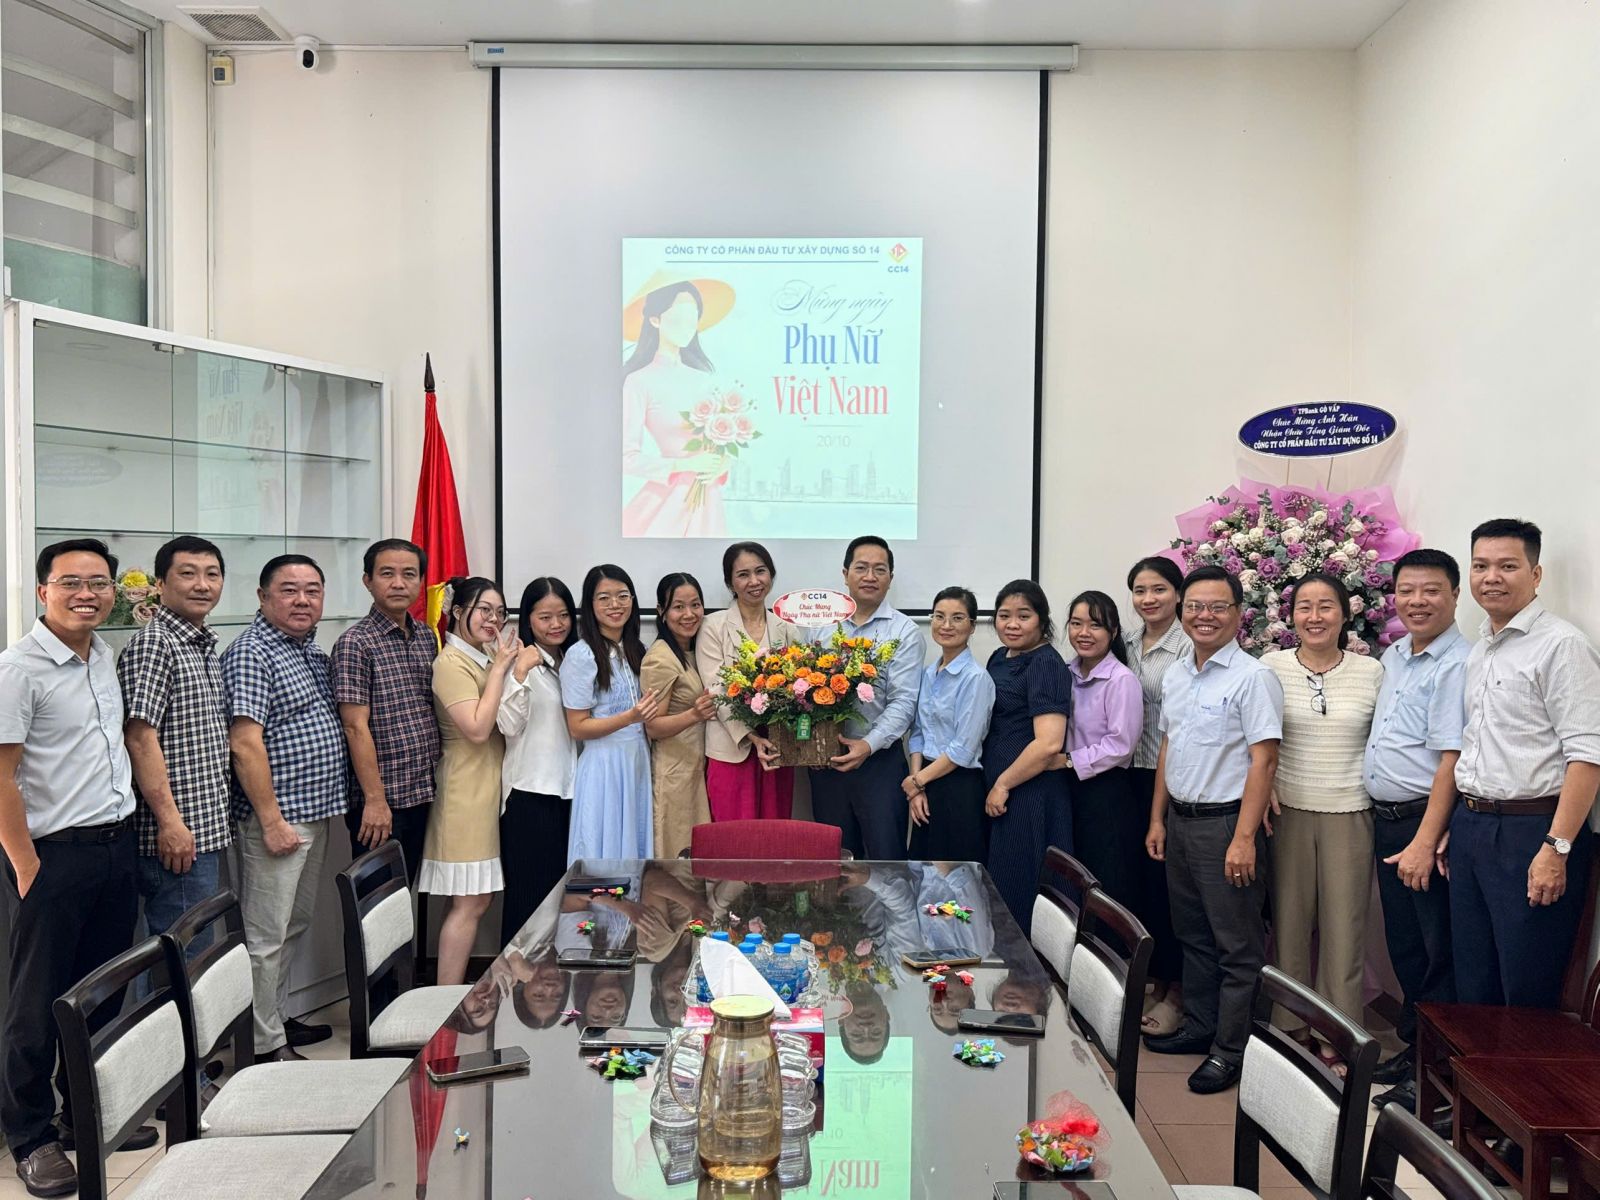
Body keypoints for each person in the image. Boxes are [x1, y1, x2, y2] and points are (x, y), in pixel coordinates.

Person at [0, 539, 148, 1197]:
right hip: (50, 856)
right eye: (70, 582)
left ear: (113, 590)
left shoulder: (103, 654)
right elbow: (1, 776)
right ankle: (31, 1138)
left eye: (98, 582)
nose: (85, 593)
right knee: (35, 1005)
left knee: (100, 993)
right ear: (43, 592)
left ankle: (82, 1114)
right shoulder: (17, 670)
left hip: (114, 847)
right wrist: (26, 866)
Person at [1144, 565, 1283, 1095]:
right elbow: (1168, 746)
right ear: (1183, 611)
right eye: (1195, 606)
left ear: (1238, 613)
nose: (1205, 616)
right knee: (1194, 938)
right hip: (1181, 823)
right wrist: (1157, 818)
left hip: (1227, 825)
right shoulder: (1179, 674)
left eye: (1218, 606)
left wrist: (1245, 838)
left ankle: (1231, 1051)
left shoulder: (1253, 677)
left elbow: (1264, 760)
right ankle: (1200, 1027)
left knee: (1237, 947)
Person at [1451, 519, 1600, 1007]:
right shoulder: (1482, 647)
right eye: (1481, 566)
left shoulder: (1561, 645)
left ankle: (1516, 1064)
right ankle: (1474, 1062)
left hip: (1532, 832)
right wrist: (1460, 823)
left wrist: (1556, 848)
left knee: (1526, 985)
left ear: (1535, 575)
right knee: (1474, 977)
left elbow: (1588, 756)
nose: (1491, 577)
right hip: (1473, 825)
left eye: (1507, 566)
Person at [222, 553, 347, 1062]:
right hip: (277, 819)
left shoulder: (308, 651)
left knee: (291, 925)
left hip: (312, 812)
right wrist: (271, 820)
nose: (303, 600)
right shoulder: (252, 652)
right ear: (263, 596)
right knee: (264, 935)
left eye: (312, 590)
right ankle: (261, 1045)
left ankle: (274, 1019)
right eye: (289, 590)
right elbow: (244, 743)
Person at [1261, 573, 1383, 1071]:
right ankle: (1290, 1027)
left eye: (1326, 606)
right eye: (1304, 607)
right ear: (1290, 616)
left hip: (1350, 810)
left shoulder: (1372, 671)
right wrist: (1264, 786)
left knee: (1344, 931)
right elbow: (1253, 735)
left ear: (1345, 613)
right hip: (1285, 810)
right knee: (1288, 926)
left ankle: (1338, 1035)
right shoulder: (1269, 667)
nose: (1314, 616)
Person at [1362, 549, 1468, 1113]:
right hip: (1387, 820)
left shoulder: (1459, 663)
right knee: (1405, 946)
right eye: (1407, 591)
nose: (1417, 601)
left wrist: (1426, 840)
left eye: (1431, 591)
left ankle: (1435, 1072)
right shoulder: (1397, 654)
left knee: (1436, 951)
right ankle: (1413, 1050)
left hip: (1422, 821)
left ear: (1454, 595)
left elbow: (1452, 758)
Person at [118, 537, 232, 956]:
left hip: (203, 828)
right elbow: (139, 737)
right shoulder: (157, 644)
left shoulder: (200, 645)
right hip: (177, 835)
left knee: (187, 954)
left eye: (212, 574)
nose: (202, 584)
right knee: (181, 957)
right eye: (188, 574)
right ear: (160, 584)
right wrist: (170, 823)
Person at [418, 577, 516, 987]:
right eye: (484, 610)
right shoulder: (450, 663)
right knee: (472, 901)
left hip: (483, 787)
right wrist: (502, 669)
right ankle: (446, 1002)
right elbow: (476, 728)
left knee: (469, 899)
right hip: (463, 792)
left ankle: (447, 995)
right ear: (458, 612)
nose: (493, 620)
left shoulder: (480, 655)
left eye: (499, 612)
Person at [808, 536, 926, 860]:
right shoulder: (821, 628)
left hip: (879, 764)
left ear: (890, 577)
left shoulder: (904, 632)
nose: (870, 576)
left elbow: (904, 703)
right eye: (861, 568)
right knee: (835, 862)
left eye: (879, 569)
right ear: (845, 574)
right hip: (827, 764)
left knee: (886, 864)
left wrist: (868, 744)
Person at [331, 538, 439, 883]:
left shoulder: (425, 636)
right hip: (383, 802)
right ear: (368, 580)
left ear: (420, 581)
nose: (398, 583)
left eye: (409, 574)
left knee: (404, 899)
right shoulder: (355, 643)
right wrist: (375, 800)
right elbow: (354, 727)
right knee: (377, 905)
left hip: (422, 793)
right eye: (387, 573)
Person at [1124, 556, 1191, 1035]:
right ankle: (1154, 979)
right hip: (1126, 774)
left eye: (1159, 589)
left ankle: (1177, 991)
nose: (1149, 599)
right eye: (1140, 590)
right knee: (1141, 885)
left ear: (1178, 593)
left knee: (1171, 889)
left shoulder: (1189, 645)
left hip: (1167, 774)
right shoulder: (1126, 642)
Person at [983, 580, 1072, 936]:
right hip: (1000, 792)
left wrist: (1003, 784)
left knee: (1022, 887)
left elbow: (1049, 743)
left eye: (1024, 616)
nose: (1012, 624)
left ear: (1042, 620)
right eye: (1004, 615)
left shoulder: (1046, 664)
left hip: (1029, 792)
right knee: (1000, 882)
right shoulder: (998, 657)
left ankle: (1026, 965)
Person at [620, 277, 736, 538]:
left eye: (692, 318)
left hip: (708, 498)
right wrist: (683, 465)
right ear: (655, 320)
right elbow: (626, 457)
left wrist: (723, 463)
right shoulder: (639, 381)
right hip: (667, 502)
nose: (687, 326)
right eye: (677, 317)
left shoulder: (705, 380)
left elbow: (722, 448)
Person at [498, 576, 579, 943]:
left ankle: (547, 979)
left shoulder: (570, 662)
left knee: (558, 900)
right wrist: (519, 672)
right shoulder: (517, 662)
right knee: (528, 902)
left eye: (563, 615)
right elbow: (507, 724)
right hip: (529, 794)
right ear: (527, 620)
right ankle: (512, 978)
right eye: (545, 617)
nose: (556, 624)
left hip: (567, 794)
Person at [564, 565, 660, 860]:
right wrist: (630, 718)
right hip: (604, 766)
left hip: (637, 759)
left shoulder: (637, 649)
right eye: (604, 598)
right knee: (601, 853)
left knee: (634, 848)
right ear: (590, 605)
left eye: (622, 596)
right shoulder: (581, 655)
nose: (615, 605)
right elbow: (577, 727)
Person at [696, 542, 797, 820]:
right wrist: (751, 736)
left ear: (771, 575)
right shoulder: (712, 626)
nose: (754, 581)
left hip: (777, 749)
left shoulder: (787, 628)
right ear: (730, 582)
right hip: (731, 748)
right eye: (743, 574)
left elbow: (799, 687)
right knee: (733, 836)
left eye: (760, 571)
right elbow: (716, 690)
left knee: (774, 834)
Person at [1064, 590, 1145, 909]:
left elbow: (1121, 745)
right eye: (1076, 623)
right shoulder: (1066, 673)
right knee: (1073, 880)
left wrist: (1069, 761)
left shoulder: (1121, 679)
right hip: (1070, 788)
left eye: (1095, 625)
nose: (1084, 633)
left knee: (1106, 883)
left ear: (1113, 632)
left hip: (1106, 793)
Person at [906, 586, 995, 862]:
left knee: (956, 878)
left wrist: (917, 781)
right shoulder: (927, 674)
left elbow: (963, 748)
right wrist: (917, 789)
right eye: (939, 616)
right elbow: (918, 733)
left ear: (972, 626)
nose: (946, 625)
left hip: (958, 787)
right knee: (922, 872)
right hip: (926, 782)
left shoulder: (976, 678)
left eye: (957, 618)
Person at [642, 572, 717, 857]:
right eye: (678, 607)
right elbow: (652, 727)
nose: (689, 614)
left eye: (695, 605)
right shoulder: (660, 658)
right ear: (661, 611)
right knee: (677, 860)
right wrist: (694, 714)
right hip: (675, 774)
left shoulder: (693, 650)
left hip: (695, 769)